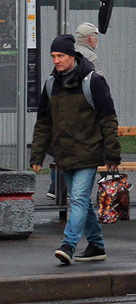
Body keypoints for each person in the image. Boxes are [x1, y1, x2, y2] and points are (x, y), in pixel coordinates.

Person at [29, 35, 119, 266]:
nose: (56, 61)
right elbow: (44, 122)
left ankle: (68, 245)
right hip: (64, 154)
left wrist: (111, 154)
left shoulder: (93, 81)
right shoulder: (51, 84)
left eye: (60, 56)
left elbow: (108, 119)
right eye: (53, 56)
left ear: (72, 56)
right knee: (82, 202)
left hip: (88, 152)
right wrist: (37, 154)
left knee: (77, 199)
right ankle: (96, 245)